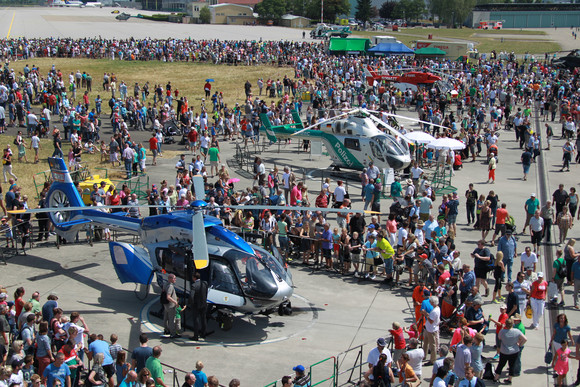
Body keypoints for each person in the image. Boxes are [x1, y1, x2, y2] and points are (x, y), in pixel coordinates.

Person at [493, 318, 527, 385]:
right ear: (512, 324)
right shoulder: (517, 331)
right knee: (512, 366)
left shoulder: (502, 331)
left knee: (501, 364)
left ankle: (496, 378)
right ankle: (509, 379)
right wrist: (519, 345)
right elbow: (525, 339)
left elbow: (499, 338)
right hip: (514, 351)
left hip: (504, 351)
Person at [421, 296, 440, 365]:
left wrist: (425, 314)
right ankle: (424, 356)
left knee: (432, 345)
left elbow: (431, 321)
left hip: (431, 330)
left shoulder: (435, 311)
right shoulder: (436, 309)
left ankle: (433, 359)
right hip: (428, 329)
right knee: (425, 343)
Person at [190, 272, 208, 341]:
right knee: (203, 319)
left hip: (196, 304)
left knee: (196, 320)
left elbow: (192, 296)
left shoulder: (194, 285)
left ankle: (196, 335)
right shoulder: (205, 283)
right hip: (203, 303)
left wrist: (191, 303)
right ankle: (203, 333)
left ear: (194, 278)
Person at [162, 274, 179, 338]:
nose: (175, 280)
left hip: (166, 305)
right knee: (171, 319)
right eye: (174, 278)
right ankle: (173, 333)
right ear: (170, 279)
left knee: (165, 318)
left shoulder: (165, 284)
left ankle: (166, 329)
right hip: (171, 305)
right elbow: (168, 297)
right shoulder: (170, 286)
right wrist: (175, 302)